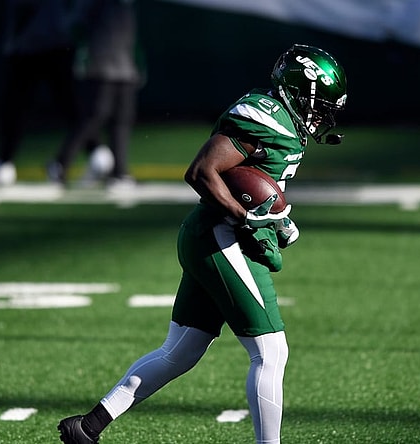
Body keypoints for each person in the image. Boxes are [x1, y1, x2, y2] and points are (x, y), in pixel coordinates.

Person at [57, 44, 347, 444]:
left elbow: (255, 184)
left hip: (212, 236)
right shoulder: (265, 117)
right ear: (296, 91)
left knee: (181, 350)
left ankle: (87, 427)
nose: (321, 114)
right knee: (271, 352)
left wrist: (277, 218)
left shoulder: (283, 125)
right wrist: (247, 217)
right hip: (220, 237)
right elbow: (201, 171)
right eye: (318, 103)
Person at [0, 0, 110, 185]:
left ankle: (4, 163)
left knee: (20, 105)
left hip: (36, 42)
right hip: (53, 39)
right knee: (65, 103)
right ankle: (98, 153)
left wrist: (15, 37)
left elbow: (27, 9)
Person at [46, 0, 141, 189]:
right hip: (101, 63)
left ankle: (119, 173)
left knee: (122, 119)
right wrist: (85, 50)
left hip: (125, 65)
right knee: (94, 115)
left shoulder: (127, 4)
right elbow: (74, 24)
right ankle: (59, 164)